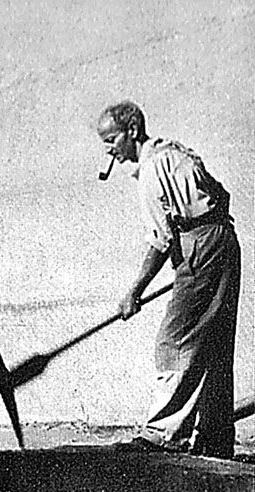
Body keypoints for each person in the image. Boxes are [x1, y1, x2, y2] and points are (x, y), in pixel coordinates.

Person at [97, 101, 241, 458]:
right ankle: (214, 439)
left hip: (201, 242)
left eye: (111, 139)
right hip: (222, 237)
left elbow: (160, 239)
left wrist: (135, 290)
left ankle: (163, 432)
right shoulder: (174, 152)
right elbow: (221, 195)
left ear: (132, 131)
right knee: (214, 343)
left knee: (174, 339)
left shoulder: (151, 168)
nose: (109, 149)